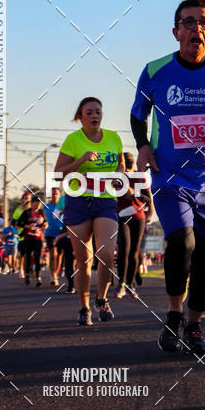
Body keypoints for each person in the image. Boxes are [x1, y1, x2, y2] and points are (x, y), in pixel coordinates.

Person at [131, 0, 205, 355]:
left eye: (203, 22)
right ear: (175, 31)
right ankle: (173, 314)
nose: (196, 27)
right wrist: (143, 145)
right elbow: (138, 114)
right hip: (169, 175)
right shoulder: (155, 71)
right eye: (188, 22)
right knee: (182, 242)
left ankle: (195, 323)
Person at [54, 97, 124, 326]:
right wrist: (81, 160)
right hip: (78, 201)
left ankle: (101, 299)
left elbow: (120, 164)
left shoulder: (113, 137)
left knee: (106, 254)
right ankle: (84, 307)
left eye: (98, 112)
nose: (94, 116)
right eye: (89, 112)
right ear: (80, 117)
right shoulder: (73, 141)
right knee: (83, 259)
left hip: (105, 200)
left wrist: (118, 176)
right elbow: (58, 173)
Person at [115, 152, 152, 299]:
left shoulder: (139, 177)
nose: (128, 168)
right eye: (126, 164)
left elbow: (148, 199)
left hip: (138, 218)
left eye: (130, 165)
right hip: (122, 217)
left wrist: (135, 194)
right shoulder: (117, 177)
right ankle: (121, 284)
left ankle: (130, 284)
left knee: (134, 252)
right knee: (124, 249)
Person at [17, 195, 47, 285]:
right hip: (28, 238)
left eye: (39, 203)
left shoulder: (42, 212)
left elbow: (44, 222)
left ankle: (38, 277)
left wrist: (45, 225)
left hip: (39, 238)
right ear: (32, 203)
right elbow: (18, 224)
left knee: (38, 258)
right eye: (36, 203)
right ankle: (27, 274)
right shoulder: (26, 212)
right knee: (29, 257)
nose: (37, 205)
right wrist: (27, 226)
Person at [43, 187, 64, 287]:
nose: (54, 195)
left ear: (59, 195)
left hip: (61, 233)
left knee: (59, 255)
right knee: (53, 254)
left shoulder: (63, 205)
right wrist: (44, 223)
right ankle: (53, 275)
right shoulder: (46, 207)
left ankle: (55, 274)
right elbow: (42, 218)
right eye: (52, 194)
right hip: (50, 233)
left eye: (56, 193)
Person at [13, 191, 31, 279]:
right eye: (25, 198)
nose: (27, 200)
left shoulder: (34, 210)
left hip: (32, 235)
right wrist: (17, 227)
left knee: (31, 254)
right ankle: (21, 270)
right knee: (22, 254)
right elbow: (13, 222)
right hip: (22, 235)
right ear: (22, 200)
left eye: (29, 199)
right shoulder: (18, 210)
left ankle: (29, 269)